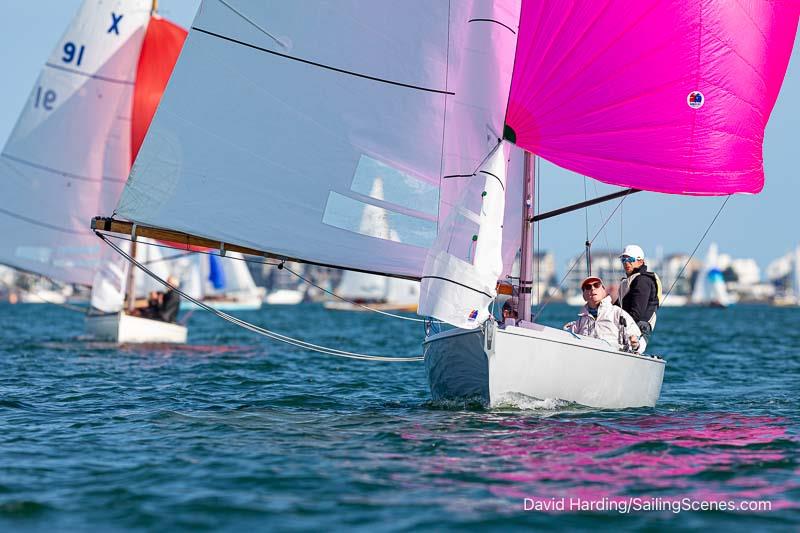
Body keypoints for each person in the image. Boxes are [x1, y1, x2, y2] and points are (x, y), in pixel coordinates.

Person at [565, 276, 645, 353]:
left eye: (596, 285)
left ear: (604, 291)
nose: (592, 288)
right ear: (584, 296)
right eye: (588, 287)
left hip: (614, 358)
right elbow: (566, 339)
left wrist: (636, 344)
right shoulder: (580, 321)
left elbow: (640, 341)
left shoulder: (617, 313)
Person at [616, 244, 662, 338]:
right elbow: (616, 307)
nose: (626, 263)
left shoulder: (642, 281)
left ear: (641, 261)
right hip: (625, 328)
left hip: (636, 332)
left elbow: (636, 314)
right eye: (623, 260)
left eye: (631, 260)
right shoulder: (631, 280)